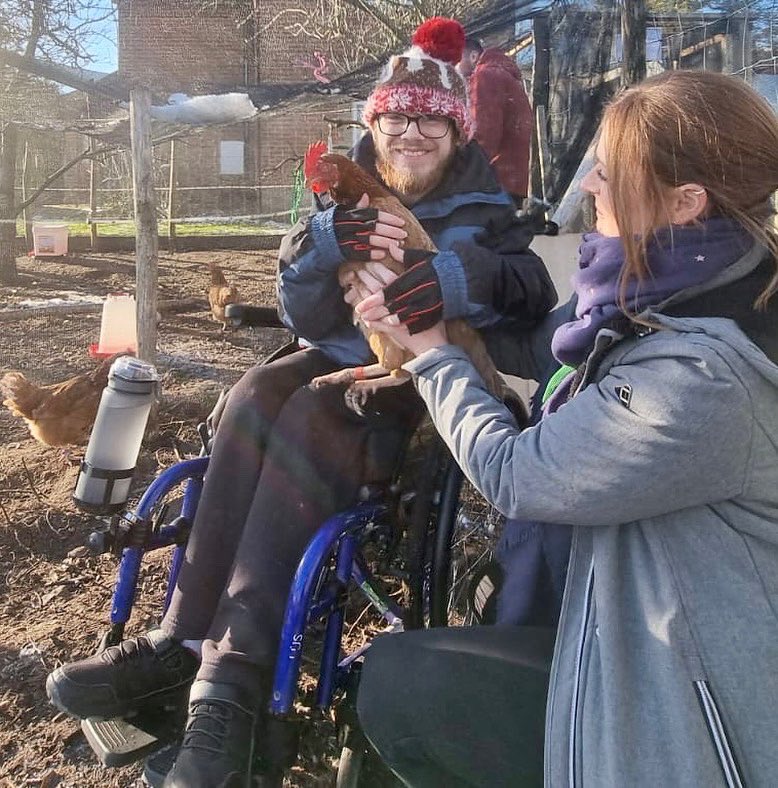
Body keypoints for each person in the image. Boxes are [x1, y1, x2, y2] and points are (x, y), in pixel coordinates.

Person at [44, 17, 556, 788]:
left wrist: (456, 280)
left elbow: (531, 296)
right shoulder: (340, 199)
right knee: (252, 394)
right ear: (373, 122)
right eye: (395, 116)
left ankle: (236, 678)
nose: (410, 132)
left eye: (428, 118)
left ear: (455, 130)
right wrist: (319, 247)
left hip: (431, 384)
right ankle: (180, 640)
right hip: (346, 354)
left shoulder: (491, 207)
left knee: (316, 411)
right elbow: (305, 320)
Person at [353, 69, 778, 786]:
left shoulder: (705, 375)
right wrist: (454, 285)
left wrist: (430, 353)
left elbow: (519, 476)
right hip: (632, 615)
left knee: (396, 683)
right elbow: (537, 339)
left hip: (687, 705)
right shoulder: (679, 288)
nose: (590, 187)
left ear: (686, 202)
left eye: (610, 174)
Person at [458, 37, 533, 207]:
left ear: (473, 56)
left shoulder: (485, 76)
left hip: (491, 184)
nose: (454, 66)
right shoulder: (506, 76)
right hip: (511, 181)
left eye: (457, 59)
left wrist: (463, 175)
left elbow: (484, 133)